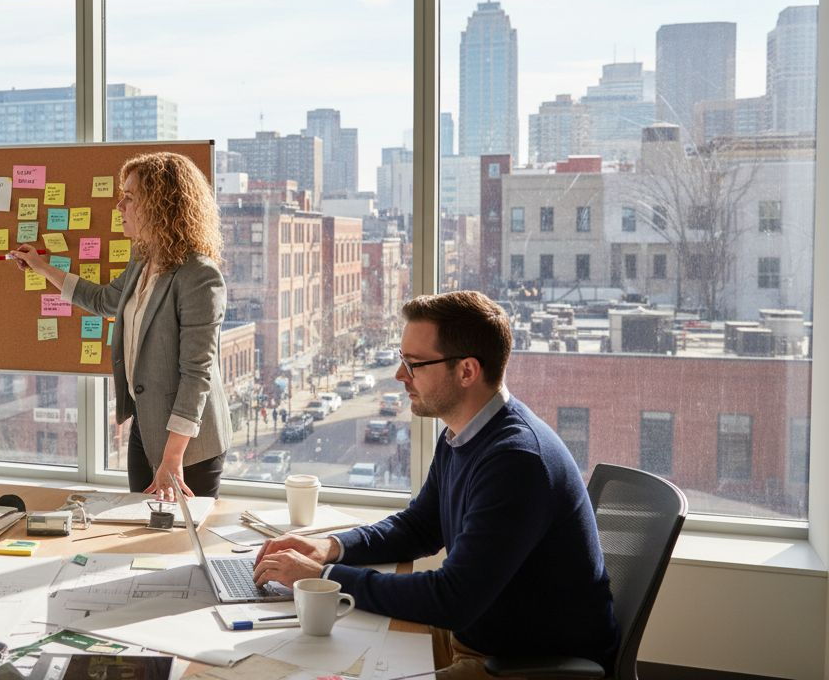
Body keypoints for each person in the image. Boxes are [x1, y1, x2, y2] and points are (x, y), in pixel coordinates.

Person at [252, 291, 618, 679]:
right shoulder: (462, 434)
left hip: (524, 664)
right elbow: (419, 528)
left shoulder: (517, 460)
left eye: (413, 364)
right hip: (480, 635)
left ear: (467, 371)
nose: (400, 375)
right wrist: (330, 548)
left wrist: (322, 577)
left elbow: (451, 599)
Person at [10, 152, 229, 500]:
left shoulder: (199, 276)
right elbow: (104, 300)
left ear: (161, 204)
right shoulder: (143, 259)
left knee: (182, 531)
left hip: (189, 445)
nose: (119, 206)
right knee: (139, 524)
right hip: (146, 428)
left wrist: (173, 458)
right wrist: (42, 268)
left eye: (129, 197)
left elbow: (196, 374)